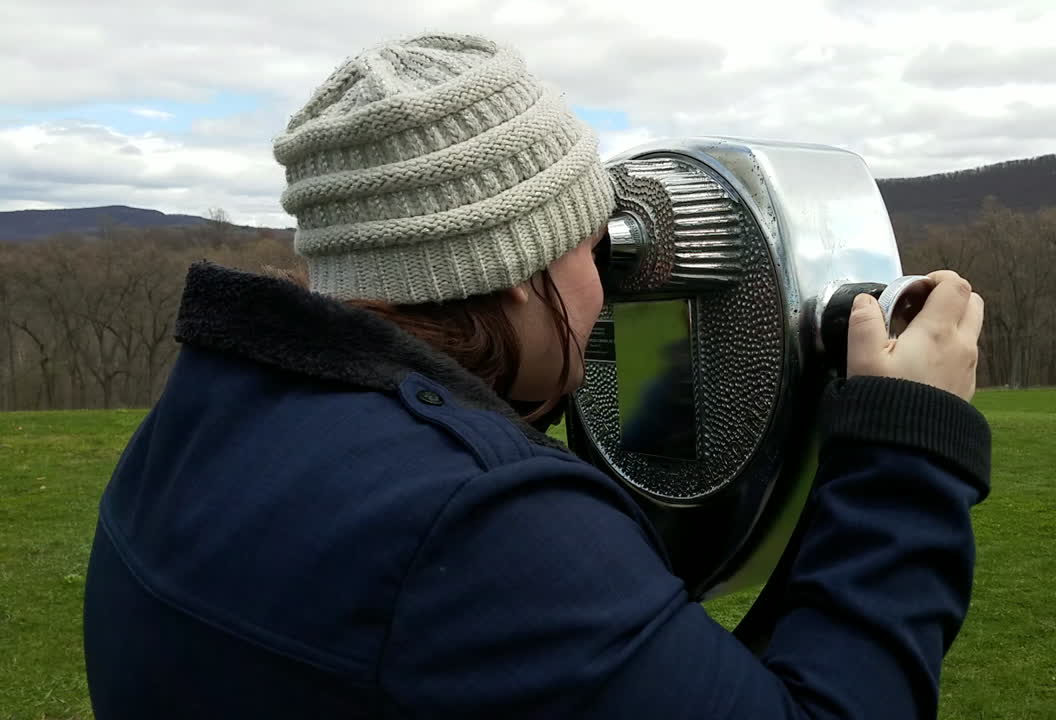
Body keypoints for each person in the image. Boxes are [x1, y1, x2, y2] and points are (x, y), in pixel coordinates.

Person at [81, 32, 991, 719]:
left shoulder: (201, 426)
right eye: (597, 252)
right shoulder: (478, 525)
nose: (609, 299)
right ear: (524, 266)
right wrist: (905, 447)